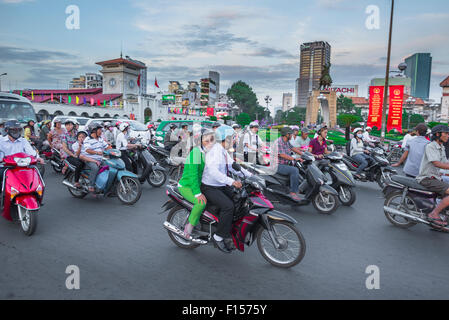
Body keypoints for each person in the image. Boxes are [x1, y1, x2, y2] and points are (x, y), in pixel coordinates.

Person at [201, 125, 252, 253]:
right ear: (224, 139)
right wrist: (232, 181)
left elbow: (233, 166)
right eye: (232, 138)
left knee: (238, 199)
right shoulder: (214, 151)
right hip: (210, 186)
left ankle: (228, 228)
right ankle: (218, 237)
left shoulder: (223, 150)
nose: (234, 140)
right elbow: (213, 173)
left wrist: (251, 176)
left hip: (220, 185)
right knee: (228, 206)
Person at [177, 128, 216, 239]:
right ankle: (188, 228)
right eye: (206, 140)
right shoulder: (196, 152)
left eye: (211, 140)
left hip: (197, 184)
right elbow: (193, 176)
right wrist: (198, 193)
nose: (209, 143)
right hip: (187, 186)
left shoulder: (206, 152)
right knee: (201, 203)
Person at [416, 125, 449, 226]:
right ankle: (433, 213)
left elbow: (445, 163)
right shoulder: (431, 146)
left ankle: (442, 217)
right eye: (446, 133)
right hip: (426, 178)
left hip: (435, 178)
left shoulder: (441, 147)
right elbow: (436, 163)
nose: (448, 136)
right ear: (438, 134)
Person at [271, 127, 303, 201]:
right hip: (277, 165)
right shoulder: (278, 142)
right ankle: (293, 192)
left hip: (285, 164)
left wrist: (304, 155)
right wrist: (295, 159)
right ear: (287, 134)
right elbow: (282, 155)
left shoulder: (286, 141)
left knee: (300, 167)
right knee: (294, 170)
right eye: (291, 134)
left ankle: (298, 188)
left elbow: (293, 148)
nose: (292, 135)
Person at [83, 122, 111, 193]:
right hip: (90, 160)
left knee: (109, 166)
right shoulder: (87, 139)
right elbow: (87, 150)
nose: (101, 132)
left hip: (100, 159)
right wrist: (97, 152)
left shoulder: (100, 139)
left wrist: (113, 151)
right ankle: (91, 185)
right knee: (95, 168)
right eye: (99, 130)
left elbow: (107, 147)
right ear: (94, 130)